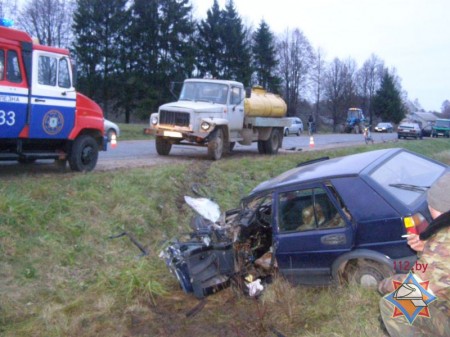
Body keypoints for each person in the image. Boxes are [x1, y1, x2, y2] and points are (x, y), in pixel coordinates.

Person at [378, 172, 450, 337]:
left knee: (393, 305)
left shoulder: (442, 243)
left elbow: (415, 288)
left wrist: (384, 284)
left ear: (434, 207)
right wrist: (425, 250)